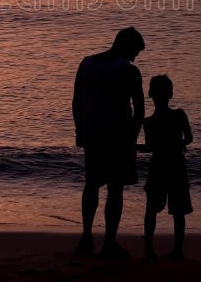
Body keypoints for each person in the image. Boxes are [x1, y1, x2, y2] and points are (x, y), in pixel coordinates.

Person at [72, 27, 145, 258]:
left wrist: (80, 130)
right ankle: (109, 242)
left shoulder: (86, 64)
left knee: (91, 184)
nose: (135, 57)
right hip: (118, 135)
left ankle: (86, 236)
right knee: (115, 189)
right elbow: (140, 111)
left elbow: (76, 102)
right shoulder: (129, 71)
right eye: (135, 51)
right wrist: (132, 139)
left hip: (93, 133)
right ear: (126, 47)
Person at [138, 74, 193, 261]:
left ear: (150, 94)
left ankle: (150, 250)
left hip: (161, 166)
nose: (161, 96)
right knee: (176, 211)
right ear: (171, 93)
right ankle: (176, 250)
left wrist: (131, 147)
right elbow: (189, 138)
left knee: (153, 210)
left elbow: (149, 147)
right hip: (174, 166)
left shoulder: (150, 121)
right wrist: (181, 143)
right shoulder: (178, 115)